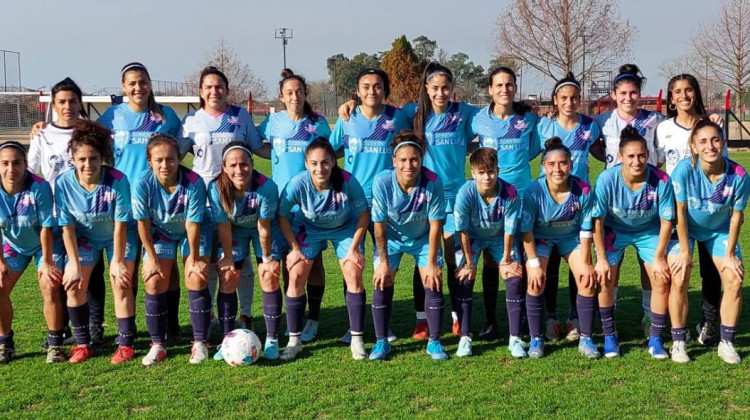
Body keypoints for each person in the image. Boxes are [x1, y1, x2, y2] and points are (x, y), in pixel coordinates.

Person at [98, 62, 184, 342]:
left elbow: (180, 148)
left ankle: (172, 326)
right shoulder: (112, 117)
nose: (138, 88)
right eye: (132, 83)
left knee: (164, 267)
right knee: (127, 267)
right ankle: (130, 329)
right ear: (123, 87)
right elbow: (88, 142)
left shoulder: (165, 116)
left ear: (150, 84)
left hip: (157, 205)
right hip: (123, 204)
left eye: (143, 82)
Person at [181, 66, 267, 334]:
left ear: (227, 90)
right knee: (206, 262)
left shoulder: (240, 116)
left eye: (219, 86)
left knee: (239, 262)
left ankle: (246, 314)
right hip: (204, 201)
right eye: (208, 86)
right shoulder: (191, 121)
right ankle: (208, 316)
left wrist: (290, 148)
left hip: (238, 200)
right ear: (200, 91)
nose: (214, 91)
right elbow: (176, 153)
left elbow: (258, 147)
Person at [329, 68, 409, 343]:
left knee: (383, 264)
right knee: (353, 264)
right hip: (352, 204)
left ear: (385, 90)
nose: (371, 91)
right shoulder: (347, 118)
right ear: (357, 90)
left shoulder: (397, 117)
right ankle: (354, 326)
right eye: (366, 86)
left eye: (377, 86)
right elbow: (330, 152)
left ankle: (383, 326)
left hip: (386, 202)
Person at [591, 125, 680, 359]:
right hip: (614, 231)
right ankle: (610, 336)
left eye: (641, 155)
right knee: (606, 276)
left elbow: (667, 220)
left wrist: (660, 257)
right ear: (620, 156)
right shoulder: (606, 179)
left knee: (661, 277)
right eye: (630, 156)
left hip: (649, 232)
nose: (636, 161)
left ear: (648, 155)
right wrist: (600, 259)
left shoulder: (660, 179)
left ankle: (655, 338)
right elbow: (597, 223)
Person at [277, 138, 370, 360]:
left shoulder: (347, 180)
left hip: (345, 228)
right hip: (309, 228)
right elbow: (281, 215)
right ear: (307, 163)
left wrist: (354, 249)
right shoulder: (297, 183)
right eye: (315, 163)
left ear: (333, 162)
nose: (321, 169)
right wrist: (294, 249)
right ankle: (294, 341)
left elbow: (364, 214)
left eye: (326, 162)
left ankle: (357, 340)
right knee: (296, 274)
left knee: (353, 273)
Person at [257, 69, 332, 343]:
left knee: (313, 261)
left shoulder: (318, 123)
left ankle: (312, 317)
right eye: (289, 92)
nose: (294, 96)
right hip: (281, 203)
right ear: (281, 96)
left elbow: (330, 153)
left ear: (305, 94)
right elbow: (257, 145)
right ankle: (286, 318)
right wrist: (277, 152)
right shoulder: (272, 122)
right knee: (281, 260)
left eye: (299, 92)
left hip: (311, 202)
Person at [54, 121, 138, 363]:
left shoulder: (118, 179)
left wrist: (118, 261)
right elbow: (67, 227)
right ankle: (82, 344)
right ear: (72, 159)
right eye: (82, 159)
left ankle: (125, 345)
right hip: (85, 239)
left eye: (93, 158)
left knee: (120, 282)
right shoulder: (64, 183)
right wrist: (74, 265)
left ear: (102, 157)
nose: (87, 165)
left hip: (118, 237)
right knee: (73, 284)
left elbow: (121, 224)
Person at [592, 64, 665, 335]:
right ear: (613, 94)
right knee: (612, 265)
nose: (628, 98)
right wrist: (612, 165)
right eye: (623, 92)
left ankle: (648, 316)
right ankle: (608, 320)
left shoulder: (656, 120)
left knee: (649, 265)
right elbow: (594, 146)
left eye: (633, 92)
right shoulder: (602, 121)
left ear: (639, 93)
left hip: (648, 199)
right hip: (615, 203)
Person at [669, 120, 748, 364]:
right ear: (693, 146)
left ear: (722, 143)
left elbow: (737, 218)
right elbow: (680, 213)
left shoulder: (739, 175)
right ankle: (679, 342)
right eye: (703, 141)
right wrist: (684, 251)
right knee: (680, 275)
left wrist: (731, 255)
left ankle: (726, 342)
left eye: (715, 140)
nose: (710, 146)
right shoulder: (683, 170)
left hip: (720, 231)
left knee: (734, 278)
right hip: (687, 230)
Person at [470, 66, 540, 340]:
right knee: (490, 259)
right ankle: (490, 320)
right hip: (488, 195)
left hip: (519, 196)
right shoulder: (477, 120)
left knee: (519, 256)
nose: (504, 89)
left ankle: (522, 317)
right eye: (499, 85)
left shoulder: (528, 120)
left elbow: (535, 149)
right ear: (490, 89)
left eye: (509, 84)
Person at [656, 74, 725, 345]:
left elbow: (722, 166)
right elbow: (659, 167)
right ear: (671, 99)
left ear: (695, 93)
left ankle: (708, 321)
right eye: (678, 92)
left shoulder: (709, 127)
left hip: (708, 208)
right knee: (679, 269)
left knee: (710, 270)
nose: (684, 96)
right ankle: (678, 325)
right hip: (676, 209)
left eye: (689, 90)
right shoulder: (663, 129)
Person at [132, 133, 212, 365]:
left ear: (178, 158)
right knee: (155, 279)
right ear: (150, 161)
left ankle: (200, 342)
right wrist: (151, 258)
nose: (165, 164)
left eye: (170, 159)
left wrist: (195, 258)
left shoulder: (194, 182)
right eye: (159, 160)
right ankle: (157, 344)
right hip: (160, 233)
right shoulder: (142, 183)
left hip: (193, 231)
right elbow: (143, 223)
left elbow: (192, 223)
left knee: (195, 277)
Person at [369, 130, 447, 361]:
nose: (408, 165)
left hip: (422, 238)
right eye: (403, 160)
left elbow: (435, 226)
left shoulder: (432, 181)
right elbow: (379, 226)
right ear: (394, 161)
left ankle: (434, 342)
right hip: (391, 239)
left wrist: (432, 263)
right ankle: (381, 341)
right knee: (382, 281)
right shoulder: (382, 181)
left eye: (414, 159)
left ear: (421, 159)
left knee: (432, 282)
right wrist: (383, 262)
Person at [535, 73, 601, 341]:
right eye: (564, 97)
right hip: (549, 205)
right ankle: (550, 317)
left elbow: (601, 151)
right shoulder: (543, 127)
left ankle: (575, 316)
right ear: (555, 100)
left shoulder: (590, 126)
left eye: (574, 97)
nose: (569, 102)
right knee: (549, 265)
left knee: (580, 262)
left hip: (579, 204)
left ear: (579, 100)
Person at [519, 138, 599, 359]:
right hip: (542, 238)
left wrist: (585, 262)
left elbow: (585, 229)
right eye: (552, 164)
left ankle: (586, 338)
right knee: (535, 281)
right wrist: (533, 264)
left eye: (563, 163)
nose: (557, 168)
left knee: (586, 279)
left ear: (571, 165)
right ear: (543, 167)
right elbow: (526, 231)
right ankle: (536, 339)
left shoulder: (582, 188)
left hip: (570, 238)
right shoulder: (533, 191)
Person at [27, 78, 91, 347]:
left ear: (80, 103)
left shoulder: (90, 132)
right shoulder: (42, 134)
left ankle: (92, 328)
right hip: (52, 218)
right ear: (53, 105)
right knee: (55, 275)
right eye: (62, 102)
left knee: (87, 274)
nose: (68, 106)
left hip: (86, 216)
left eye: (73, 101)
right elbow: (30, 171)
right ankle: (60, 329)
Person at [208, 141, 285, 360]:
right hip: (235, 231)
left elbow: (264, 227)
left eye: (244, 164)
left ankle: (272, 339)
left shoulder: (267, 187)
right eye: (233, 165)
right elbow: (223, 225)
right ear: (224, 167)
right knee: (229, 276)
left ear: (252, 163)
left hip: (263, 229)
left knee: (269, 276)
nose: (239, 170)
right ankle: (226, 341)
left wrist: (268, 258)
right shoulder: (215, 188)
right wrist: (229, 258)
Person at [453, 147, 521, 357]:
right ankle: (465, 337)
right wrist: (468, 262)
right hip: (472, 238)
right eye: (481, 173)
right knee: (464, 277)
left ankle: (515, 338)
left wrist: (507, 258)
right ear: (473, 173)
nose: (487, 177)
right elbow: (462, 231)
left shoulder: (509, 192)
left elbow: (510, 230)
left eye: (491, 171)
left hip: (500, 237)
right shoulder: (465, 193)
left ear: (498, 170)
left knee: (514, 277)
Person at [0, 142, 64, 363]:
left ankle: (55, 344)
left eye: (17, 163)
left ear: (26, 165)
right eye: (5, 164)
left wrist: (46, 261)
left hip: (45, 244)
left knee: (50, 284)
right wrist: (0, 262)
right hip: (14, 246)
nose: (11, 169)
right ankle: (5, 343)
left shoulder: (39, 186)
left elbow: (46, 226)